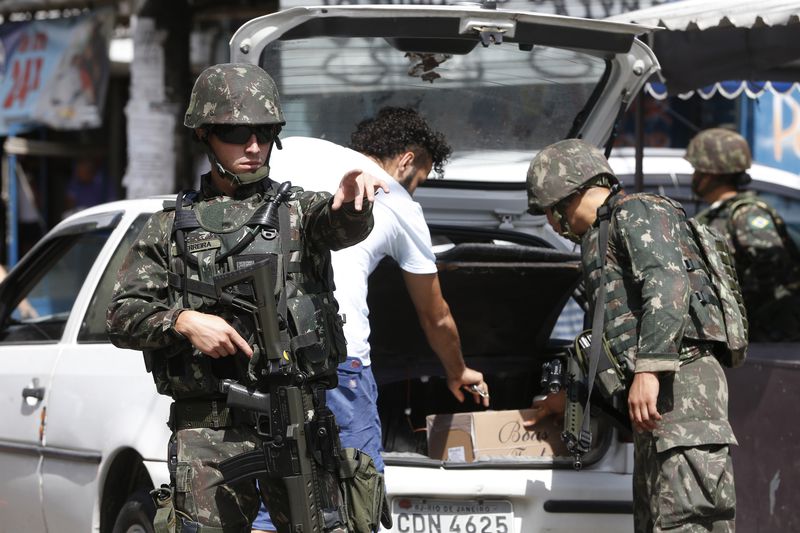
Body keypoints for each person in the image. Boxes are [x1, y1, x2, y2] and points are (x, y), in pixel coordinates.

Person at [106, 63, 388, 533]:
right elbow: (121, 314)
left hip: (298, 416)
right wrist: (183, 322)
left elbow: (338, 223)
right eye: (237, 133)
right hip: (209, 429)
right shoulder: (168, 227)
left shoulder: (300, 211)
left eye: (264, 131)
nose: (253, 146)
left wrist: (351, 202)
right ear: (205, 134)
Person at [252, 107, 489, 533]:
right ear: (407, 160)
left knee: (271, 500)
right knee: (355, 497)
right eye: (421, 178)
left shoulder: (295, 151)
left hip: (259, 359)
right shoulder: (394, 196)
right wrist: (458, 370)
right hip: (338, 366)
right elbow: (434, 314)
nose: (415, 189)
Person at [526, 138, 737, 532]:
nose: (553, 226)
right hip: (662, 396)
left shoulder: (637, 210)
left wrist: (648, 371)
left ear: (565, 195)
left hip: (683, 385)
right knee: (657, 520)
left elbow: (668, 284)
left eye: (549, 213)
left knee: (689, 520)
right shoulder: (602, 236)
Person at [686, 127, 800, 341]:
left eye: (697, 170)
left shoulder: (746, 213)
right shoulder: (716, 214)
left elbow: (772, 267)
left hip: (764, 336)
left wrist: (739, 303)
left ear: (710, 173)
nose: (694, 176)